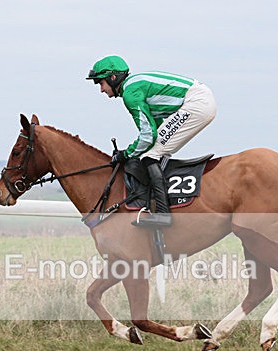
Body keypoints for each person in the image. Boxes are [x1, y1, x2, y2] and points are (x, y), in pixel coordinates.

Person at [86, 55, 217, 227]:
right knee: (154, 150)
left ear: (113, 77)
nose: (101, 90)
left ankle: (163, 215)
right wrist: (134, 150)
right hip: (199, 100)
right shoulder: (133, 86)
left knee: (149, 155)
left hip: (197, 103)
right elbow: (155, 127)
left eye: (100, 83)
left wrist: (126, 153)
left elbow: (148, 135)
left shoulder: (130, 94)